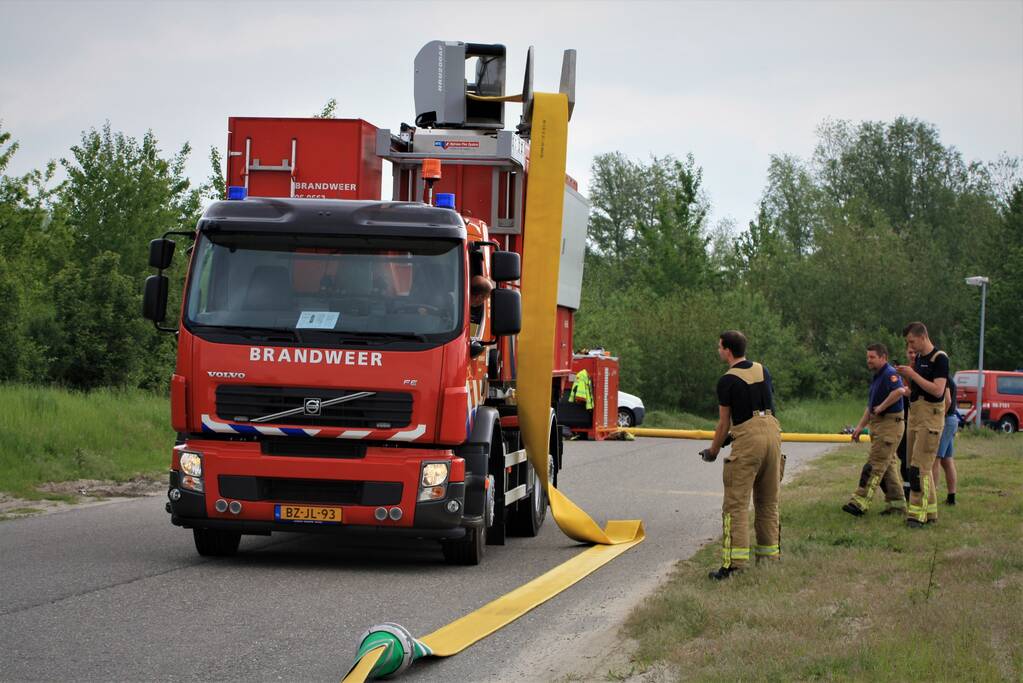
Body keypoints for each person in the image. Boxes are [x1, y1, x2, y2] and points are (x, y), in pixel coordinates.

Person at [701, 330, 782, 580]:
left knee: (735, 504)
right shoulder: (762, 369)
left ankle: (734, 565)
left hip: (748, 441)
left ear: (727, 350)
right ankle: (769, 558)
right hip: (773, 433)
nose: (718, 350)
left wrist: (713, 451)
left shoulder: (727, 380)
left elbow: (724, 423)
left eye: (719, 347)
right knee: (768, 501)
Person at [843, 343, 906, 517]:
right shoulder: (878, 376)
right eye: (867, 357)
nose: (868, 360)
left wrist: (882, 407)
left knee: (874, 465)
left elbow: (900, 391)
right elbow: (871, 407)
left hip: (889, 425)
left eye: (872, 357)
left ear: (883, 357)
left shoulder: (890, 374)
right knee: (888, 467)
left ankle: (860, 503)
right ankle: (897, 505)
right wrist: (860, 427)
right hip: (880, 424)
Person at [896, 322, 949, 528]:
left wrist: (912, 375)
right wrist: (906, 381)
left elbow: (938, 390)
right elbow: (918, 389)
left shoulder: (940, 358)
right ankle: (931, 513)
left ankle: (916, 515)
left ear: (923, 337)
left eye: (912, 341)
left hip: (930, 418)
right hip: (915, 416)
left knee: (920, 468)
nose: (910, 346)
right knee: (912, 466)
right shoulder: (918, 359)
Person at [933, 374, 959, 505]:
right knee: (947, 461)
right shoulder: (949, 379)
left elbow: (947, 401)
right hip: (952, 419)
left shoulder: (943, 378)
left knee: (934, 459)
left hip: (946, 420)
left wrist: (939, 418)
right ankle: (951, 498)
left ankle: (932, 498)